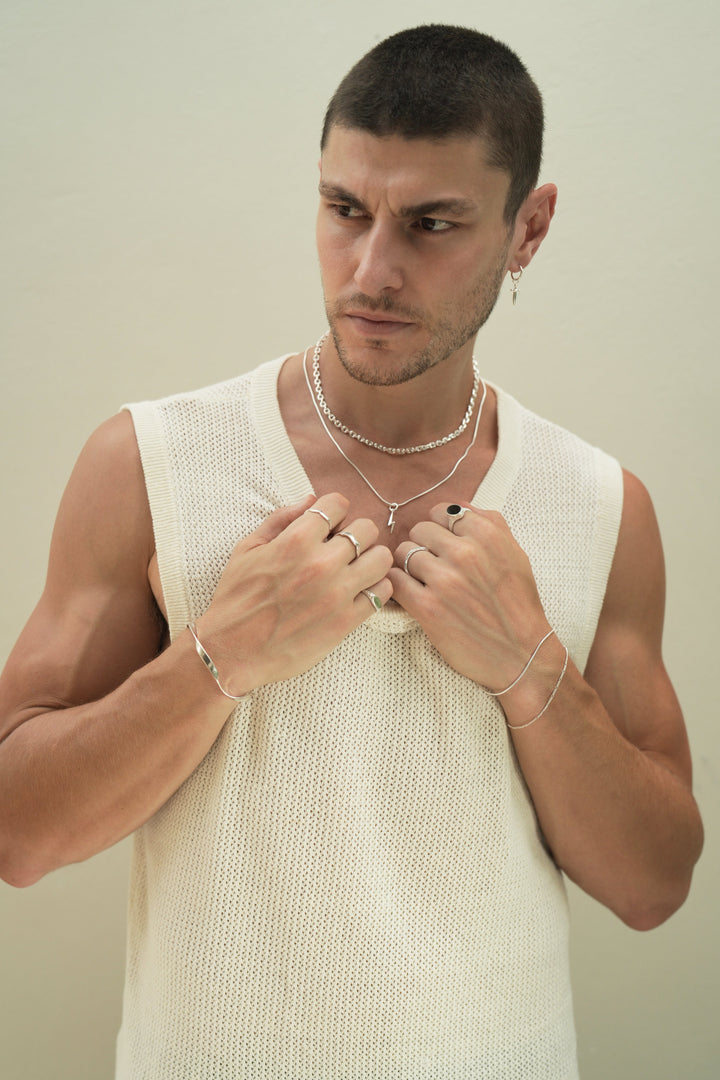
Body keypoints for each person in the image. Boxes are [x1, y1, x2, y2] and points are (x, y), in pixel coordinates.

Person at [0, 23, 703, 1080]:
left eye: (432, 223)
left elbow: (655, 886)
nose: (371, 268)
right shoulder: (151, 462)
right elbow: (18, 834)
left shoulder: (601, 504)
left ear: (530, 228)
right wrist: (220, 653)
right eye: (343, 211)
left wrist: (529, 663)